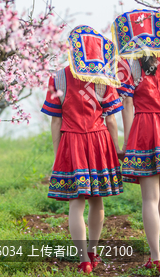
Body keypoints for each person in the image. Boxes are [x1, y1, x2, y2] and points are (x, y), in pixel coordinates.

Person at [41, 25, 124, 274]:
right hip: (99, 142)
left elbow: (55, 120)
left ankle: (83, 261)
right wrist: (116, 148)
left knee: (75, 203)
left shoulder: (58, 78)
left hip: (71, 142)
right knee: (97, 201)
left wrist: (59, 154)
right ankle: (93, 252)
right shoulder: (104, 79)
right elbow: (111, 119)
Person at [112, 10, 160, 272]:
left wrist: (129, 139)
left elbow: (127, 105)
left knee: (149, 198)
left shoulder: (125, 65)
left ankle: (155, 256)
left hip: (145, 126)